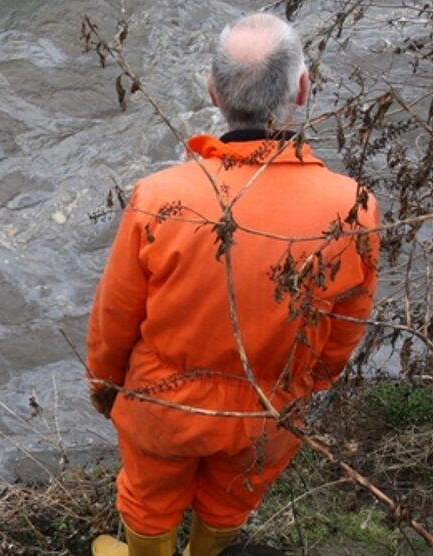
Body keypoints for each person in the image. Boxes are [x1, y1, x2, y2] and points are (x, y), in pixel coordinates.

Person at [86, 12, 379, 556]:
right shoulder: (352, 208)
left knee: (149, 501)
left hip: (162, 403)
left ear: (212, 92)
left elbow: (115, 315)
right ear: (303, 89)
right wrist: (305, 384)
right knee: (230, 500)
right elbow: (346, 327)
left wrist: (106, 385)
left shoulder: (159, 196)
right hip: (270, 408)